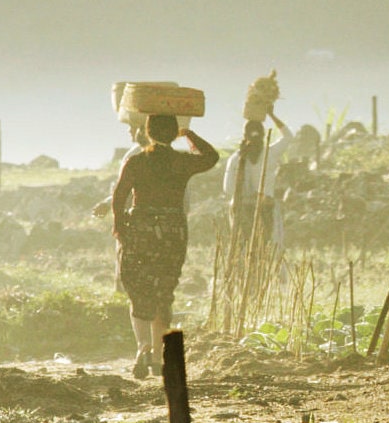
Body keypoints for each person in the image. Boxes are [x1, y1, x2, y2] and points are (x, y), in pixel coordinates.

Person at [111, 114, 220, 379]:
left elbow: (119, 195)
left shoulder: (136, 161)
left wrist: (121, 226)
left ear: (147, 133)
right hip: (172, 232)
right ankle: (159, 357)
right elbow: (212, 157)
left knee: (138, 288)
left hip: (141, 229)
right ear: (173, 134)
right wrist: (189, 135)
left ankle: (142, 346)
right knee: (164, 289)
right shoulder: (180, 161)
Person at [223, 114, 294, 247]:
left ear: (245, 137)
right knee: (261, 247)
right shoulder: (269, 153)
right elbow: (288, 136)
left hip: (256, 208)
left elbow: (228, 189)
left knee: (252, 247)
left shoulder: (236, 159)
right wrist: (271, 115)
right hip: (253, 208)